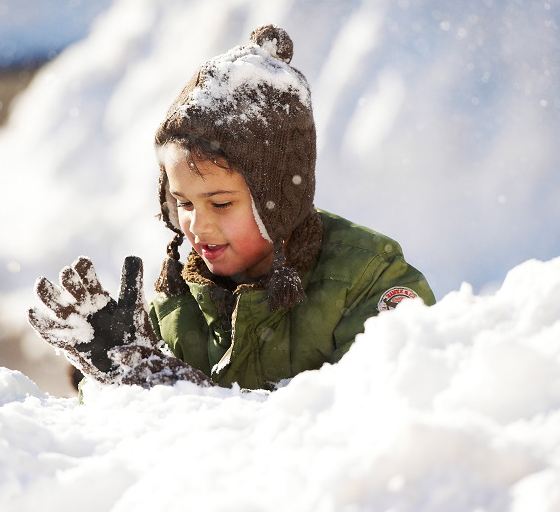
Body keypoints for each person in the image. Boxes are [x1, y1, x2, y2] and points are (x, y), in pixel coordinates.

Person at [27, 24, 435, 392]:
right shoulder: (175, 305)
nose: (197, 225)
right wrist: (117, 381)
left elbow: (361, 423)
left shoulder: (367, 279)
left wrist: (169, 388)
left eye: (221, 203)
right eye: (182, 202)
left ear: (279, 199)